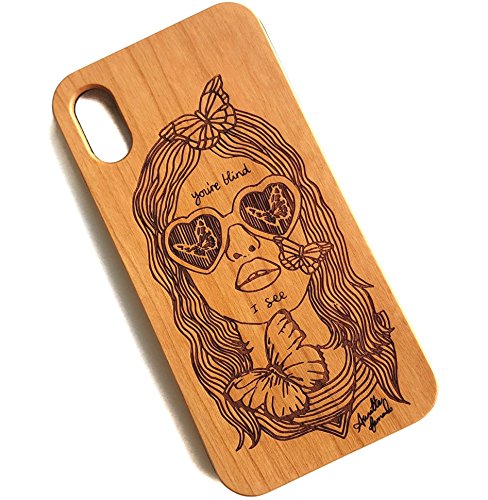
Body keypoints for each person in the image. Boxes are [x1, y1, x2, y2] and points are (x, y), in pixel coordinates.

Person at [133, 75, 407, 450]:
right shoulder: (241, 409)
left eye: (261, 209)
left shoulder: (376, 351)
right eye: (202, 237)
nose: (242, 245)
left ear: (307, 218)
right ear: (179, 274)